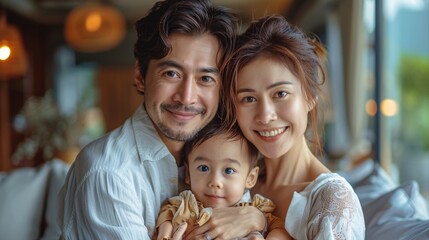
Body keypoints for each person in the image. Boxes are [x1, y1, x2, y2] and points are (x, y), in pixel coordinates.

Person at [57, 0, 266, 239]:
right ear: (140, 76)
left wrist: (254, 216)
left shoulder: (229, 149)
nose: (187, 97)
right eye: (171, 73)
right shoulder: (109, 174)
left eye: (206, 78)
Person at [211, 15, 364, 239]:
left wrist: (262, 222)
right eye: (248, 99)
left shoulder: (332, 200)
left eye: (280, 94)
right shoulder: (230, 181)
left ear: (310, 97)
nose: (265, 116)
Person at [154, 121, 291, 240]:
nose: (215, 181)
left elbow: (280, 228)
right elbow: (168, 213)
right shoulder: (186, 206)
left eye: (229, 171)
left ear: (250, 178)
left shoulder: (256, 209)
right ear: (188, 173)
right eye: (203, 168)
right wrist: (165, 233)